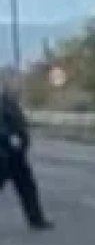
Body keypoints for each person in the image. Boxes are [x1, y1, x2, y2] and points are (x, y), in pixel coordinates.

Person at [0, 78, 50, 231]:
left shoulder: (10, 103)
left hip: (17, 154)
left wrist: (24, 136)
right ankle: (37, 220)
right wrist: (9, 138)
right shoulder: (4, 104)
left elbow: (19, 123)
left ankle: (36, 220)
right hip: (4, 153)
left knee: (27, 187)